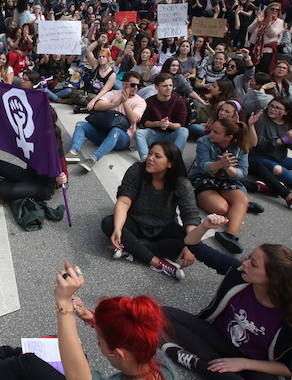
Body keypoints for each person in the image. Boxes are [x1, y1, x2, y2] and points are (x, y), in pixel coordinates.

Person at [0, 270, 179, 380]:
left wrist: (64, 303)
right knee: (25, 363)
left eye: (100, 339)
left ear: (119, 353)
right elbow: (130, 334)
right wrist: (92, 319)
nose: (97, 341)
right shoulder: (153, 357)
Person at [161, 214, 292, 380]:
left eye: (253, 264)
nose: (245, 263)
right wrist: (204, 226)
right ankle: (224, 379)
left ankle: (198, 364)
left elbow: (291, 369)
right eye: (249, 257)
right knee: (160, 314)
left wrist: (243, 363)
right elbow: (193, 245)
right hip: (218, 338)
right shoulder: (239, 272)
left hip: (256, 365)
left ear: (274, 279)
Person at [101, 141, 200, 281]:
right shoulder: (137, 170)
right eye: (150, 153)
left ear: (170, 163)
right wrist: (118, 228)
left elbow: (190, 215)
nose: (150, 158)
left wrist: (191, 246)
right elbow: (123, 201)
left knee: (185, 241)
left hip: (164, 226)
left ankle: (132, 248)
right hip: (135, 221)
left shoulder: (181, 183)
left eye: (157, 156)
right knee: (109, 223)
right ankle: (157, 263)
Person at [188, 118, 257, 255]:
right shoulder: (204, 141)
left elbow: (243, 173)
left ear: (228, 137)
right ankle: (239, 210)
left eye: (216, 132)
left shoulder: (241, 147)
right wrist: (220, 164)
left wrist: (230, 169)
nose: (210, 133)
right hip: (204, 179)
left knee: (241, 200)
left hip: (228, 181)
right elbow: (202, 166)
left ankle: (229, 235)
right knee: (221, 208)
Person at [66, 71, 146, 172]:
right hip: (103, 131)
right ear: (124, 84)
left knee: (115, 131)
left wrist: (124, 102)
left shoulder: (140, 101)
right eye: (133, 85)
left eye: (138, 85)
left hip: (124, 137)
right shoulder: (114, 93)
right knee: (80, 125)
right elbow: (97, 106)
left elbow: (134, 119)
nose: (136, 88)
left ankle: (93, 159)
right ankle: (73, 151)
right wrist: (115, 103)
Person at [134, 73, 189, 161]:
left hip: (172, 135)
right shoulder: (149, 101)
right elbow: (145, 123)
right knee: (139, 133)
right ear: (156, 87)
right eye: (165, 86)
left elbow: (180, 125)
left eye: (171, 85)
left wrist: (168, 124)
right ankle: (145, 160)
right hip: (154, 134)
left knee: (184, 131)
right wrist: (159, 123)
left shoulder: (179, 102)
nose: (169, 88)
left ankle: (175, 160)